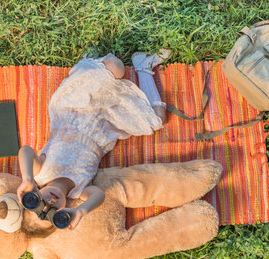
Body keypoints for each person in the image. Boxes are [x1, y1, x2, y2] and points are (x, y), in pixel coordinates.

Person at [17, 51, 170, 230]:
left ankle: (89, 60)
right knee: (157, 119)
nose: (50, 202)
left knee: (116, 67)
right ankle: (143, 66)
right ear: (63, 213)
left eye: (39, 203)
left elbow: (25, 151)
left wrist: (27, 179)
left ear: (32, 195)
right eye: (53, 211)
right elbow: (98, 195)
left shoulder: (41, 173)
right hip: (105, 124)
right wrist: (81, 211)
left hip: (73, 108)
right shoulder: (79, 191)